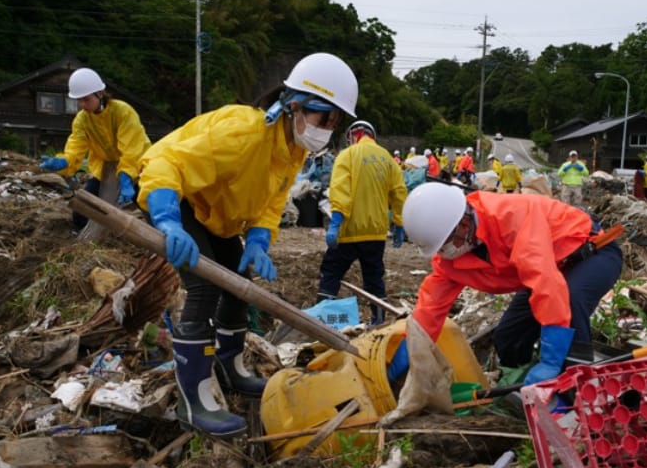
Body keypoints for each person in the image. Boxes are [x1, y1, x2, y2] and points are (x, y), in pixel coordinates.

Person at [138, 52, 358, 437]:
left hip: (220, 218)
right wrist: (169, 221)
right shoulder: (243, 132)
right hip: (182, 203)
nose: (328, 128)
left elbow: (272, 202)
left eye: (335, 121)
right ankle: (195, 399)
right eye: (326, 118)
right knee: (205, 287)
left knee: (240, 288)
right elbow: (164, 162)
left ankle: (231, 367)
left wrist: (258, 239)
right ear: (296, 107)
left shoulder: (292, 148)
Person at [400, 183, 622, 388]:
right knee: (508, 337)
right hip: (551, 270)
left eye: (446, 244)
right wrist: (407, 352)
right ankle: (523, 388)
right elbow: (430, 309)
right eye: (439, 248)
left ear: (464, 224)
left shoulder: (511, 218)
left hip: (591, 253)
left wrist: (552, 360)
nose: (445, 252)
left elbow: (546, 284)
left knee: (571, 304)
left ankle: (578, 387)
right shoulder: (450, 260)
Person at [38, 68, 152, 229]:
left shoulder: (122, 111)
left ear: (100, 93)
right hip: (105, 168)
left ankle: (164, 247)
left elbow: (132, 148)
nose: (82, 105)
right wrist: (63, 162)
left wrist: (127, 177)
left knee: (150, 205)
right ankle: (83, 246)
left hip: (138, 166)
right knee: (83, 207)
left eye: (86, 99)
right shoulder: (82, 120)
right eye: (79, 101)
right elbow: (75, 147)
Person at [319, 121, 408, 326]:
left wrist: (336, 222)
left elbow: (341, 191)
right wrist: (399, 223)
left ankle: (322, 322)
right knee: (374, 278)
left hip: (349, 231)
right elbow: (399, 193)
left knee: (331, 273)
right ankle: (379, 322)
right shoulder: (387, 159)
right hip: (376, 233)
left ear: (352, 136)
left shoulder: (347, 156)